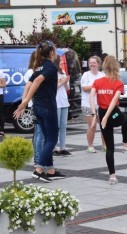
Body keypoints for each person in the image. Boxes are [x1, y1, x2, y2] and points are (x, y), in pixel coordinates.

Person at [14, 40, 66, 183]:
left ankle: (50, 171)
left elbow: (28, 85)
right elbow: (36, 82)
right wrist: (24, 102)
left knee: (47, 139)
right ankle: (38, 170)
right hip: (47, 107)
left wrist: (25, 101)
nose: (56, 53)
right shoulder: (50, 67)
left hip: (37, 107)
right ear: (51, 53)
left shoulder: (38, 67)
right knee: (52, 139)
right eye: (55, 50)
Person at [90, 55, 127, 185]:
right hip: (113, 114)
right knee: (125, 118)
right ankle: (125, 144)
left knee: (110, 148)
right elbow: (114, 100)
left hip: (103, 113)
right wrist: (104, 117)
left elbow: (91, 97)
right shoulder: (118, 83)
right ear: (116, 66)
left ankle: (112, 176)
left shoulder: (97, 82)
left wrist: (95, 115)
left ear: (104, 66)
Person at [22, 52, 44, 166]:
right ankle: (37, 158)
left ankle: (38, 157)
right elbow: (29, 88)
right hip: (34, 104)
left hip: (34, 103)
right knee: (39, 133)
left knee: (37, 132)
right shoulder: (32, 72)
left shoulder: (35, 71)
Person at [81, 55, 106, 153]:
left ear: (98, 64)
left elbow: (105, 87)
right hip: (88, 104)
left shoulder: (102, 75)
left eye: (94, 62)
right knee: (92, 125)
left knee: (104, 125)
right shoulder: (86, 75)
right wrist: (96, 86)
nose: (92, 64)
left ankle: (105, 145)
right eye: (90, 63)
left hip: (100, 103)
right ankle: (90, 146)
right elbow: (84, 88)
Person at [53, 58, 71, 156]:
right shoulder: (52, 73)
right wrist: (61, 82)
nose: (62, 64)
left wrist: (66, 81)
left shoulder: (63, 72)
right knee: (56, 126)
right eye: (60, 63)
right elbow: (53, 87)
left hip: (64, 101)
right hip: (56, 101)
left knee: (63, 125)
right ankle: (54, 147)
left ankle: (62, 147)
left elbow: (67, 88)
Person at [0, 69, 6, 137]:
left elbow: (4, 84)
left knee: (1, 113)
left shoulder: (0, 72)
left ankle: (2, 130)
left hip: (0, 95)